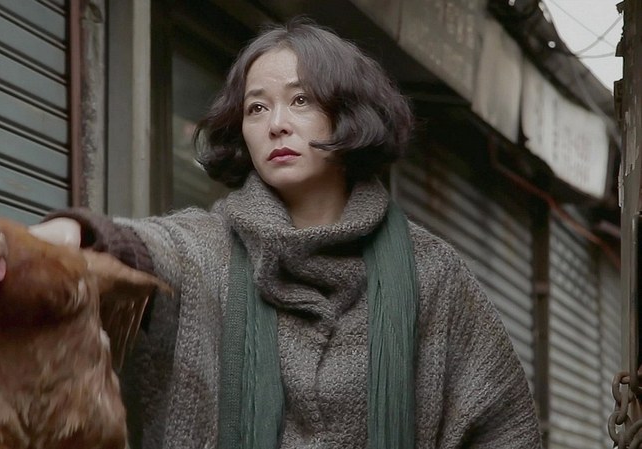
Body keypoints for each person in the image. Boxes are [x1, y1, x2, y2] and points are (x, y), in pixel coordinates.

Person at [32, 17, 541, 449]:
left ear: (348, 113)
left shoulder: (432, 274)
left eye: (301, 100)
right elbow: (149, 247)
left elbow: (506, 427)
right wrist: (73, 236)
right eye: (256, 107)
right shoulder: (209, 248)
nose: (276, 124)